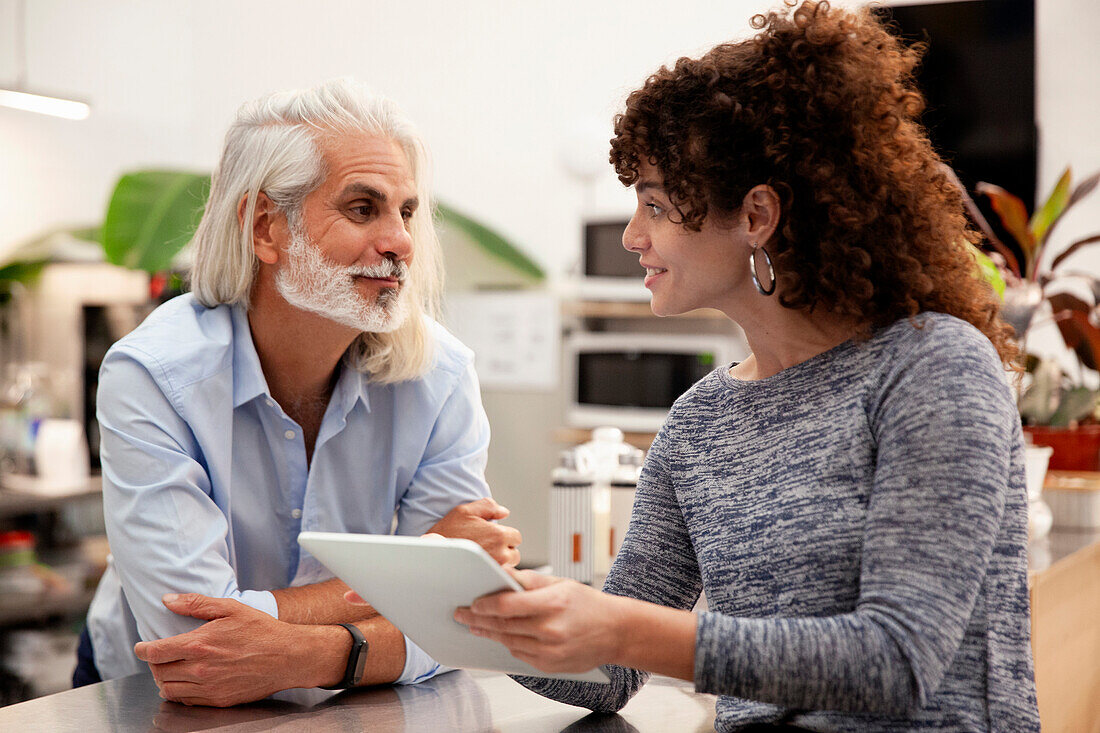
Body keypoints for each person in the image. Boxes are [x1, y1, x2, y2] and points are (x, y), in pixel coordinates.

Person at [454, 2, 1040, 730]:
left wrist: (617, 626)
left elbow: (896, 658)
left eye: (656, 204)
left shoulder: (932, 370)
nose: (634, 235)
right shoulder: (700, 422)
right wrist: (477, 601)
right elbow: (605, 676)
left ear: (757, 215)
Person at [75, 78, 522, 707]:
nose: (400, 243)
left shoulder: (439, 375)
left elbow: (457, 617)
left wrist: (316, 652)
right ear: (265, 226)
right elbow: (192, 638)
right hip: (153, 692)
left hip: (347, 695)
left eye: (407, 212)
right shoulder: (154, 375)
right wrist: (419, 564)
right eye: (363, 208)